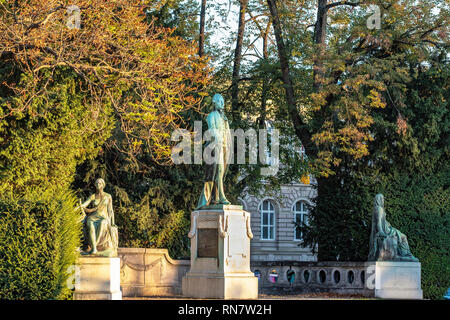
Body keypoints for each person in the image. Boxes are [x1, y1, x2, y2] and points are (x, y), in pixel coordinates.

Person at [196, 93, 232, 208]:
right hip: (213, 147)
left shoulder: (224, 118)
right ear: (215, 103)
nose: (222, 104)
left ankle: (216, 198)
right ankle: (220, 197)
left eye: (223, 102)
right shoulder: (212, 115)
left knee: (220, 173)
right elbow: (212, 130)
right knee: (215, 173)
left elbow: (227, 134)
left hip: (222, 147)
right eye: (220, 101)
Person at [368, 193, 418, 262]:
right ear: (378, 200)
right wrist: (381, 232)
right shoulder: (379, 209)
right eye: (382, 199)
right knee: (403, 237)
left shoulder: (376, 209)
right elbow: (378, 222)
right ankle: (406, 254)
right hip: (386, 230)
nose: (383, 200)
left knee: (402, 237)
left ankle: (405, 254)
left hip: (387, 228)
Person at [80, 178, 118, 256]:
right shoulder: (93, 196)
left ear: (103, 185)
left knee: (102, 223)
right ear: (95, 185)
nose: (98, 184)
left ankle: (96, 246)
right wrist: (79, 206)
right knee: (90, 223)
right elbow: (84, 205)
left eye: (100, 183)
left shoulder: (108, 196)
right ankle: (94, 249)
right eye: (97, 183)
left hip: (103, 217)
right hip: (93, 217)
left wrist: (113, 222)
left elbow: (110, 210)